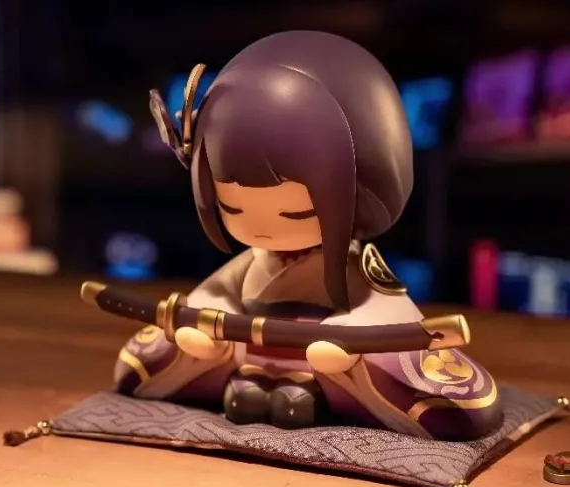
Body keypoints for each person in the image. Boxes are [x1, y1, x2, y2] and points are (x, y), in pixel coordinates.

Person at [114, 31, 503, 440]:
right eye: (233, 208)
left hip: (316, 362)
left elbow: (386, 310)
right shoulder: (253, 263)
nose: (263, 227)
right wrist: (208, 331)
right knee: (235, 391)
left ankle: (305, 392)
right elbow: (217, 294)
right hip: (249, 356)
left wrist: (347, 340)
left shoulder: (352, 267)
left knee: (300, 398)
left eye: (294, 212)